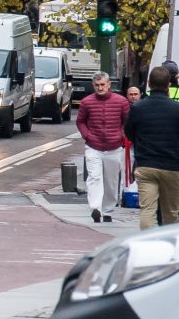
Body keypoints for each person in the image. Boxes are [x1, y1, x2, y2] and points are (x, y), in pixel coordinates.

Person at [125, 65, 179, 230]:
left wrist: (141, 145)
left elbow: (129, 132)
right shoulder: (176, 109)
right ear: (168, 85)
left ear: (148, 83)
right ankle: (171, 248)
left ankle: (149, 246)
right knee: (171, 212)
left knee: (147, 210)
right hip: (172, 166)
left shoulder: (138, 108)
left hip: (146, 165)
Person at [76, 72, 130, 224]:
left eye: (102, 85)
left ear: (108, 85)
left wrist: (122, 136)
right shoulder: (87, 102)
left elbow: (128, 121)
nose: (100, 88)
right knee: (94, 177)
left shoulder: (121, 102)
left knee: (111, 182)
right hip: (94, 146)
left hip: (114, 147)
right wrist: (87, 136)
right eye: (97, 85)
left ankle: (107, 210)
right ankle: (95, 208)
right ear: (93, 86)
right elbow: (80, 122)